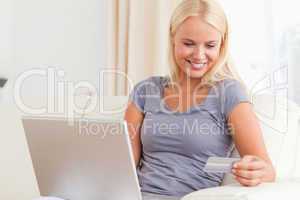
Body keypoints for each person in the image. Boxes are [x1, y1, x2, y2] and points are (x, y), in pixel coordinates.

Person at [124, 0, 276, 198]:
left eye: (210, 45)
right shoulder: (145, 91)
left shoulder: (229, 93)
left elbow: (267, 170)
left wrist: (257, 171)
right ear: (173, 38)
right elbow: (123, 166)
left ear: (222, 45)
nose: (199, 55)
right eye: (189, 44)